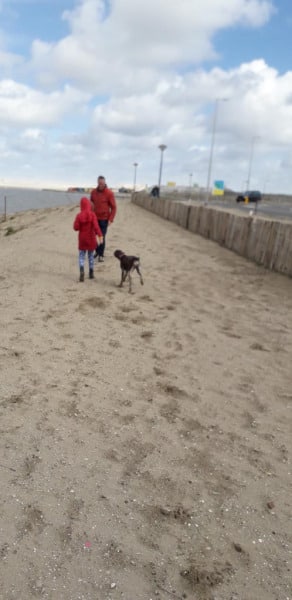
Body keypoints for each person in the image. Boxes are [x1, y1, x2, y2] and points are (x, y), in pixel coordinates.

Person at [73, 197, 103, 282]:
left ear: (81, 205)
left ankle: (82, 271)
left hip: (82, 239)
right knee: (90, 256)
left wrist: (79, 224)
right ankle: (91, 273)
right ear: (89, 205)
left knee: (81, 256)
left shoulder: (79, 216)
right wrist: (100, 236)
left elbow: (75, 228)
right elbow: (96, 227)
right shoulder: (92, 215)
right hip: (91, 238)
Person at [90, 175, 117, 262]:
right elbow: (91, 205)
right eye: (99, 183)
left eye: (102, 183)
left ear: (105, 183)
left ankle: (101, 255)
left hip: (104, 220)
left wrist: (110, 219)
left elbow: (114, 208)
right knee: (91, 236)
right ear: (97, 183)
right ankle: (97, 250)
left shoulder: (109, 193)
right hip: (94, 219)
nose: (101, 185)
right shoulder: (93, 192)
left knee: (101, 237)